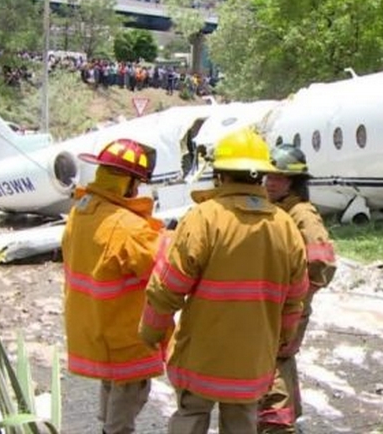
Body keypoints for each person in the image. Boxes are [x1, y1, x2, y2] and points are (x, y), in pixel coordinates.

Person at [139, 127, 308, 434]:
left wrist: (151, 330)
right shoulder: (284, 225)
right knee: (242, 421)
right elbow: (296, 297)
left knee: (191, 416)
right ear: (261, 177)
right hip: (252, 361)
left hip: (201, 357)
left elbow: (168, 287)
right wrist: (283, 336)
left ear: (220, 175)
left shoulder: (203, 218)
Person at [61, 138, 167, 434]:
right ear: (129, 182)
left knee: (111, 385)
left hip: (92, 322)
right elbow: (162, 266)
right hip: (123, 332)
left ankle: (108, 427)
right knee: (129, 393)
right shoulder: (127, 226)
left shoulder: (81, 212)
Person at [258, 145, 337, 434]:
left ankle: (278, 427)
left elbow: (322, 262)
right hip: (279, 304)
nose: (270, 182)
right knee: (281, 359)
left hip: (290, 306)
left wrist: (299, 296)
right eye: (268, 176)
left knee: (274, 361)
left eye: (277, 178)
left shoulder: (302, 214)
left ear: (293, 182)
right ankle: (290, 417)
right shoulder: (280, 210)